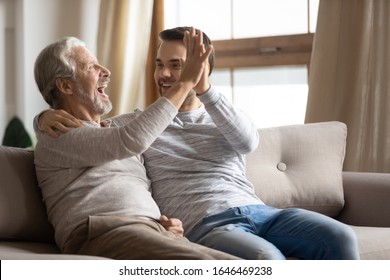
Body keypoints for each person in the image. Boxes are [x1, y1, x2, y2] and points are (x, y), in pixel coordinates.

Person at [39, 27, 360, 260]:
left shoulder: (220, 117)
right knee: (261, 263)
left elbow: (248, 141)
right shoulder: (131, 127)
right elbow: (121, 139)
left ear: (202, 69)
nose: (164, 74)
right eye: (159, 64)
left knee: (341, 236)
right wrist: (42, 118)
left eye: (177, 66)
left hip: (256, 213)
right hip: (201, 226)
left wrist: (203, 89)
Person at [32, 30, 240, 260]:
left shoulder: (114, 130)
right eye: (91, 67)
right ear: (65, 86)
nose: (106, 72)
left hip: (150, 231)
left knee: (234, 265)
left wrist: (161, 223)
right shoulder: (59, 134)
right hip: (103, 232)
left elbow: (136, 136)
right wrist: (185, 81)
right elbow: (132, 140)